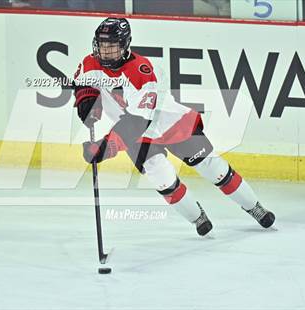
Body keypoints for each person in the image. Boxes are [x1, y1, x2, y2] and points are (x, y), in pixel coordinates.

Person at [73, 17, 275, 236]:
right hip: (138, 138)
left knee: (212, 167)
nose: (106, 52)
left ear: (125, 45)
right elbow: (83, 82)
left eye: (112, 46)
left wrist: (105, 148)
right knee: (163, 179)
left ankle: (254, 207)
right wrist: (86, 100)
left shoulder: (142, 72)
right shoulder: (89, 63)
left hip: (169, 123)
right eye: (102, 45)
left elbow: (138, 122)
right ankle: (198, 217)